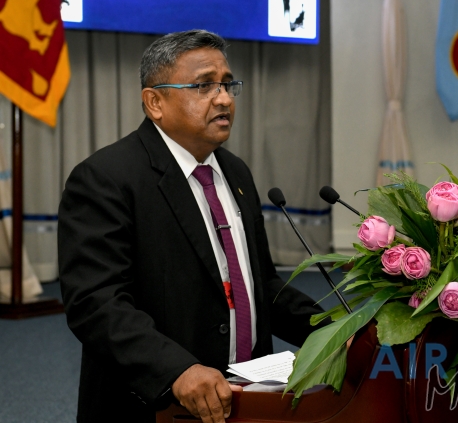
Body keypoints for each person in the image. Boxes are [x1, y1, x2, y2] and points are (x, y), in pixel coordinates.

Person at [58, 30, 325, 423]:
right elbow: (97, 303)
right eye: (204, 86)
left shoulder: (235, 172)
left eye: (227, 84)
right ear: (155, 102)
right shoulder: (106, 178)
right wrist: (177, 370)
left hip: (249, 394)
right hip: (156, 404)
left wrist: (333, 331)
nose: (224, 98)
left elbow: (261, 285)